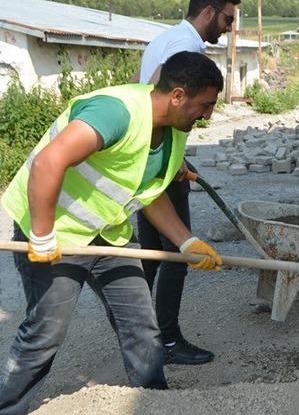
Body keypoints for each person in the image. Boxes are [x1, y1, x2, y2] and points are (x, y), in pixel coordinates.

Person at [0, 52, 225, 414]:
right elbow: (48, 161)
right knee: (45, 332)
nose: (208, 115)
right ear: (178, 95)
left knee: (140, 324)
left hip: (109, 236)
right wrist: (41, 235)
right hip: (56, 233)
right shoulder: (116, 113)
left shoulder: (174, 130)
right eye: (206, 105)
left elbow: (149, 195)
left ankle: (154, 401)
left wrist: (186, 241)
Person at [132, 0, 239, 365]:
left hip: (155, 157)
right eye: (227, 19)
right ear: (208, 12)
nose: (228, 28)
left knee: (151, 252)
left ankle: (137, 330)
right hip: (159, 164)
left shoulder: (163, 38)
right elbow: (165, 102)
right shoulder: (186, 48)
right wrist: (171, 160)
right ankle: (167, 340)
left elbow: (144, 91)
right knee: (178, 251)